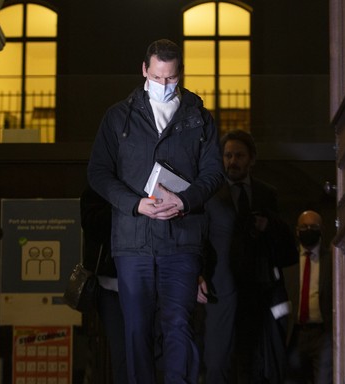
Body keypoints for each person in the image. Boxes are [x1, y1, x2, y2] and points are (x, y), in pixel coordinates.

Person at [87, 39, 224, 383]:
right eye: (158, 77)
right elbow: (98, 173)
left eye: (171, 79)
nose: (164, 85)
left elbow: (213, 173)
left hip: (182, 241)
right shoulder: (119, 116)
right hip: (134, 243)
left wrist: (186, 200)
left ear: (181, 74)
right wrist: (135, 204)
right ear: (144, 70)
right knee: (136, 330)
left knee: (179, 325)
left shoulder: (199, 118)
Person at [198, 129, 297, 383]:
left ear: (251, 159)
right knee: (219, 361)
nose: (233, 161)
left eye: (239, 156)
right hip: (220, 290)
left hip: (259, 290)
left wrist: (269, 225)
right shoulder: (210, 195)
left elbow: (287, 248)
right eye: (228, 155)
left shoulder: (267, 193)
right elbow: (200, 240)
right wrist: (198, 275)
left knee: (257, 362)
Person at [79, 186, 127, 384]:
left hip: (142, 282)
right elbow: (93, 225)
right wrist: (127, 206)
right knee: (120, 353)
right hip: (109, 284)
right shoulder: (97, 188)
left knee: (145, 351)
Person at [283, 210, 332, 384]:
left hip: (323, 333)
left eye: (313, 227)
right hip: (295, 334)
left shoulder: (333, 261)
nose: (308, 230)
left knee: (324, 379)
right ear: (297, 230)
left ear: (321, 230)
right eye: (304, 227)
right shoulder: (288, 262)